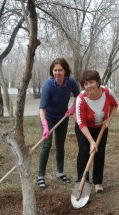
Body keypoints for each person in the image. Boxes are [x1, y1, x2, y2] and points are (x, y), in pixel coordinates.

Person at [37, 58, 80, 188]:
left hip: (63, 118)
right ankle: (40, 176)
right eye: (54, 70)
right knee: (47, 145)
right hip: (48, 118)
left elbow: (79, 96)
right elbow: (42, 109)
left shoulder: (71, 82)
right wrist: (45, 126)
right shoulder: (48, 85)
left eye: (60, 70)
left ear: (65, 71)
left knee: (60, 145)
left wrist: (72, 109)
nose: (57, 73)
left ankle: (60, 173)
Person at [75, 69, 118, 193]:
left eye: (91, 82)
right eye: (85, 83)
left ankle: (98, 182)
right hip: (84, 129)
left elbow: (115, 105)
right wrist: (91, 141)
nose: (89, 86)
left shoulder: (107, 92)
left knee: (100, 153)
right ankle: (82, 184)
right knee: (84, 152)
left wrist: (109, 118)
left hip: (101, 127)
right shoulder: (81, 99)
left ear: (98, 82)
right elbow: (81, 123)